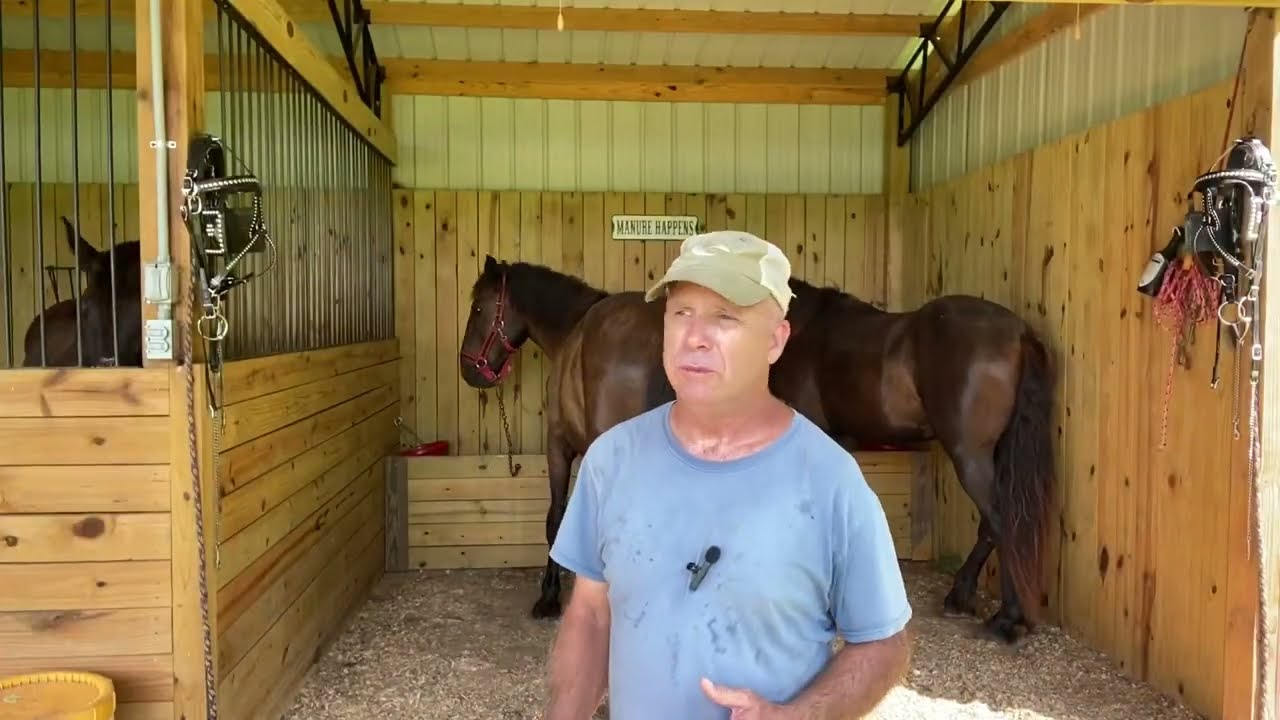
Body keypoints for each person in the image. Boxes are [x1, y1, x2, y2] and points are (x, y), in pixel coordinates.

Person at [541, 230, 913, 720]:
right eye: (681, 314)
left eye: (725, 317)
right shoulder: (610, 461)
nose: (695, 337)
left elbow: (885, 645)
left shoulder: (829, 480)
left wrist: (799, 716)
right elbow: (590, 613)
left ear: (776, 341)